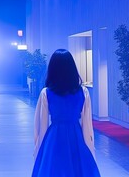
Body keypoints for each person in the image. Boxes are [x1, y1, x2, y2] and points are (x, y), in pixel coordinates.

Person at [32, 49, 100, 177]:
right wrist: (91, 150)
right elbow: (87, 126)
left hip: (54, 138)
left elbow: (41, 126)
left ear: (52, 69)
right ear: (72, 68)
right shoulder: (83, 92)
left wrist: (38, 150)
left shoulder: (46, 93)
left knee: (53, 170)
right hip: (76, 136)